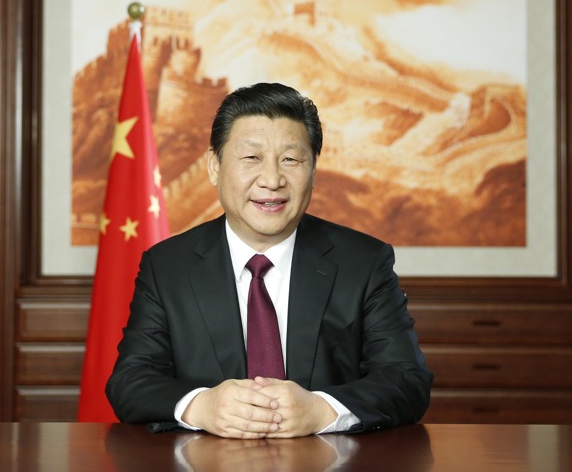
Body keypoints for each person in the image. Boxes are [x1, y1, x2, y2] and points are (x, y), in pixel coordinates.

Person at [106, 82, 433, 438]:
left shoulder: (364, 263)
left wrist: (322, 410)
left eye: (291, 160)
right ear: (214, 166)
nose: (273, 180)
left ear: (313, 170)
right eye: (252, 158)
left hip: (331, 468)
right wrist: (202, 406)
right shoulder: (168, 266)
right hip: (204, 468)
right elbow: (130, 381)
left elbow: (407, 379)